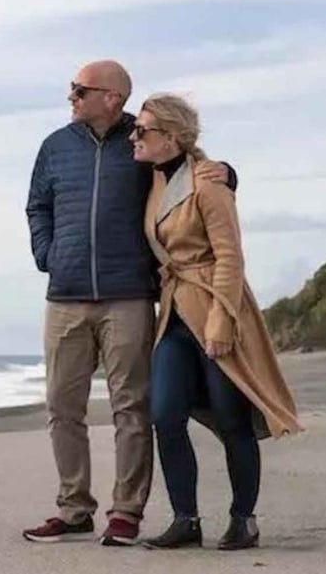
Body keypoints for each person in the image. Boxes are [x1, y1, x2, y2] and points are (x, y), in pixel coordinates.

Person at [21, 60, 232, 547]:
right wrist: (47, 254)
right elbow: (37, 204)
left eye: (79, 91)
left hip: (129, 296)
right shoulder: (55, 146)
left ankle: (126, 512)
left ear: (111, 97)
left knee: (131, 408)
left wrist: (229, 173)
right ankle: (74, 509)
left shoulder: (143, 138)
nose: (71, 98)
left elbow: (188, 172)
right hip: (66, 295)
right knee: (62, 406)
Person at [131, 93, 301, 551]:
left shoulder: (208, 183)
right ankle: (186, 519)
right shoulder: (152, 181)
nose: (135, 136)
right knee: (165, 415)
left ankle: (243, 519)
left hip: (213, 308)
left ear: (171, 137)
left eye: (142, 130)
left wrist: (223, 320)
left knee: (231, 421)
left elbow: (230, 255)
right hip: (173, 314)